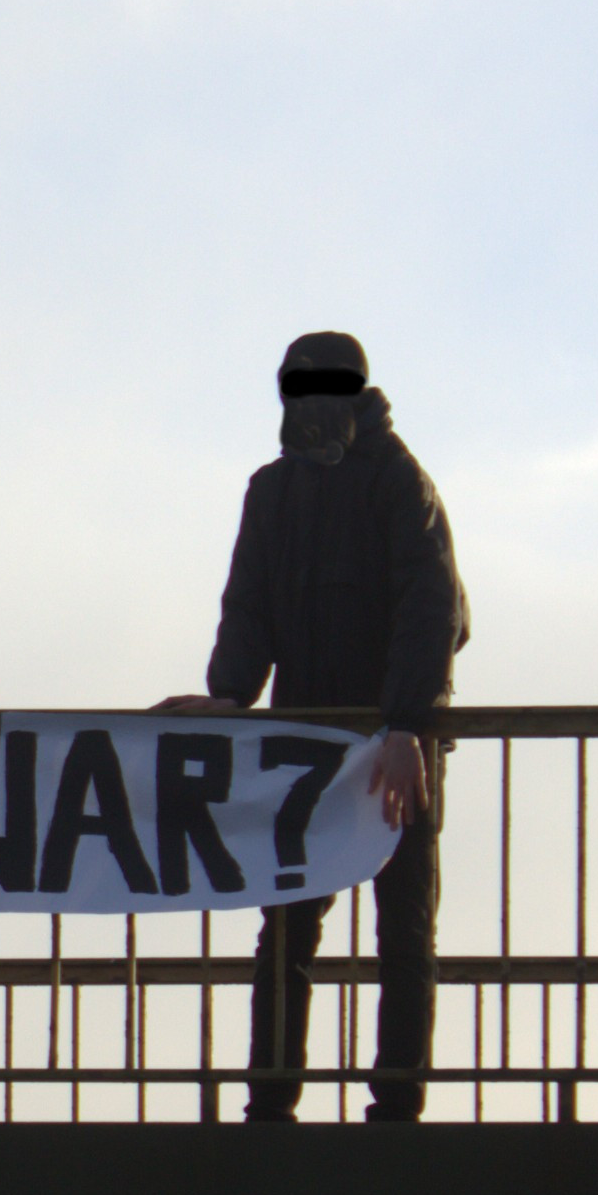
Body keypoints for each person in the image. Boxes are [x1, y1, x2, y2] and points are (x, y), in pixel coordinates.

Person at [164, 330, 470, 1122]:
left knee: (401, 930)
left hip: (392, 746)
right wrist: (230, 696)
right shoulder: (272, 491)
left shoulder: (399, 481)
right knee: (289, 926)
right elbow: (249, 604)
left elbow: (435, 611)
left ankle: (395, 1108)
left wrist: (404, 726)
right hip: (306, 745)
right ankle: (271, 1104)